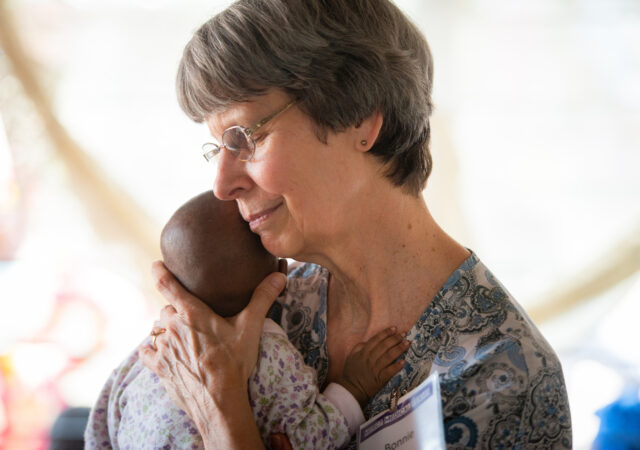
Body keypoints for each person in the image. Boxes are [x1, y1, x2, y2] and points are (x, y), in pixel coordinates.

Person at [139, 0, 573, 448]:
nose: (222, 186)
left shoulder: (501, 376)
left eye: (246, 137)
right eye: (217, 148)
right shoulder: (261, 300)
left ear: (360, 120)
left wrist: (220, 412)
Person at [84, 191, 407, 449]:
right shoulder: (270, 358)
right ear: (282, 273)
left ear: (173, 285)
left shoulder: (155, 350)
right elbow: (306, 438)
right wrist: (352, 388)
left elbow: (101, 423)